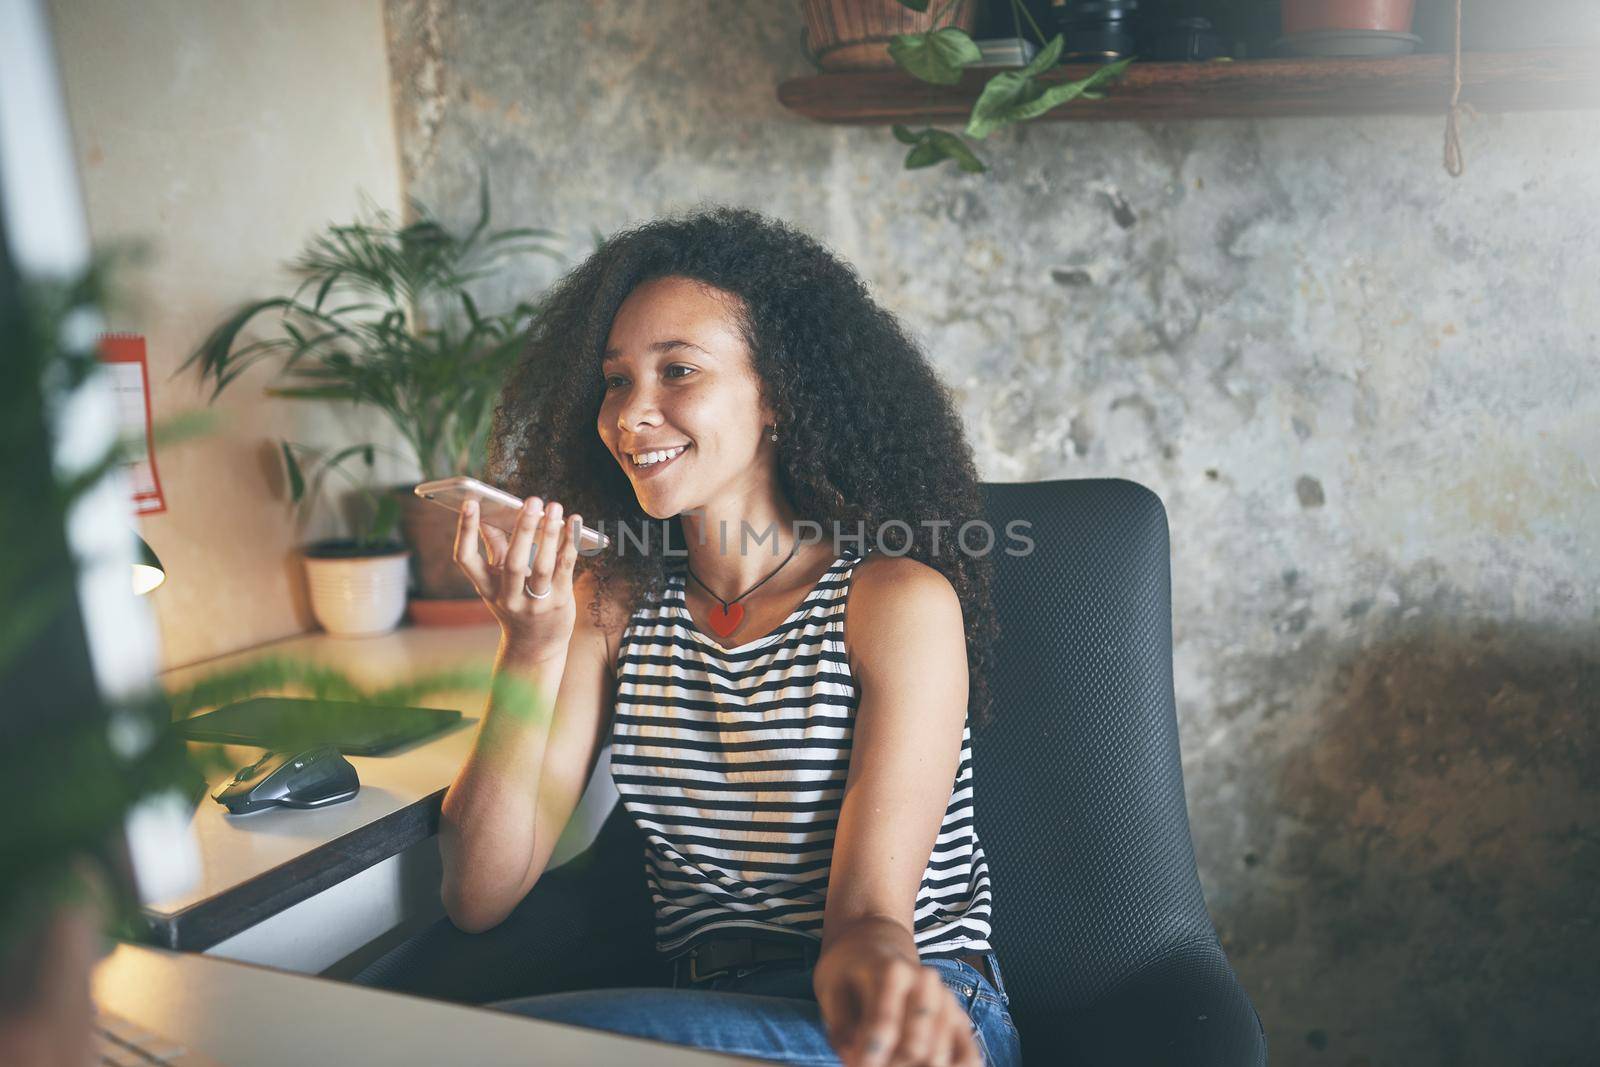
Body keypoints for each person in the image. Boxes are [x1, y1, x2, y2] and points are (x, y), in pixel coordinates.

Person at [438, 205, 1019, 1067]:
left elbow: (867, 919)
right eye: (615, 380)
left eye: (678, 370)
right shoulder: (611, 605)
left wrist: (888, 1003)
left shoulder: (892, 599)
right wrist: (527, 646)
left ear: (778, 393)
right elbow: (478, 893)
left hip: (903, 1013)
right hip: (706, 1011)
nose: (633, 414)